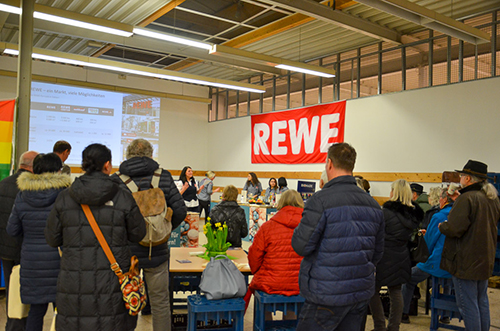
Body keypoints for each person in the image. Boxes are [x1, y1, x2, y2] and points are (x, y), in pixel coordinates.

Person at [45, 143, 146, 331]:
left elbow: (52, 238)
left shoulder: (65, 197)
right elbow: (139, 233)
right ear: (107, 165)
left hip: (74, 283)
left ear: (84, 165)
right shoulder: (122, 197)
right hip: (113, 282)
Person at [291, 143, 385, 330]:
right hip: (359, 293)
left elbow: (301, 246)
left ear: (329, 164)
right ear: (352, 165)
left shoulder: (320, 201)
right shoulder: (373, 205)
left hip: (326, 293)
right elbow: (377, 253)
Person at [111, 138, 187, 331]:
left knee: (126, 300)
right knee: (160, 302)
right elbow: (180, 210)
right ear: (151, 154)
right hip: (157, 251)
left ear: (127, 155)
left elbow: (111, 219)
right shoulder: (164, 176)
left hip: (127, 253)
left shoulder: (116, 179)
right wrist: (164, 231)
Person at [7, 153, 71, 331]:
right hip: (60, 262)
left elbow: (12, 230)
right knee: (64, 313)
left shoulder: (22, 195)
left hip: (32, 264)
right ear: (58, 170)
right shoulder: (66, 195)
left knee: (35, 312)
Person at [439, 160, 500, 331]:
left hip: (466, 260)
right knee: (481, 301)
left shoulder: (467, 198)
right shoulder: (491, 198)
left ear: (468, 178)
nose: (459, 178)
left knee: (468, 305)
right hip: (484, 257)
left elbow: (454, 228)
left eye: (461, 176)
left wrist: (442, 226)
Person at [369, 179, 422, 331]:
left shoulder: (385, 213)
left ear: (395, 192)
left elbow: (376, 234)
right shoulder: (413, 216)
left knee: (372, 291)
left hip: (383, 256)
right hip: (402, 256)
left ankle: (379, 326)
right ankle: (394, 327)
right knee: (396, 292)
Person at [401, 187, 457, 324]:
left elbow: (428, 244)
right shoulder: (458, 215)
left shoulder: (438, 216)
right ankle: (445, 316)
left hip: (436, 261)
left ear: (443, 199)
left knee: (408, 278)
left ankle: (403, 313)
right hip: (453, 262)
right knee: (447, 280)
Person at [245, 190, 304, 313]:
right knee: (293, 309)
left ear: (280, 203)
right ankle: (291, 322)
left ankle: (265, 322)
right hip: (301, 284)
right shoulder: (309, 228)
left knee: (261, 295)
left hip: (270, 283)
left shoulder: (267, 227)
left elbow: (254, 256)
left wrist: (257, 271)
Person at [0, 150, 37, 331]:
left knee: (10, 291)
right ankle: (23, 325)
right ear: (33, 167)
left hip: (5, 249)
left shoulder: (3, 184)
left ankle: (11, 324)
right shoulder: (33, 187)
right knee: (28, 292)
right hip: (26, 250)